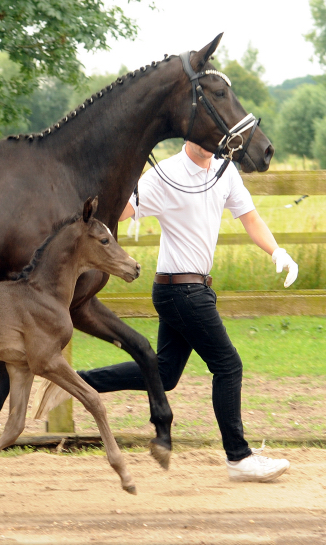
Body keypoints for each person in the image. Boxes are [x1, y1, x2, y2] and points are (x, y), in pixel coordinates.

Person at [78, 141, 297, 482]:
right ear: (188, 134)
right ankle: (239, 459)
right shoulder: (165, 174)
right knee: (228, 365)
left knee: (165, 375)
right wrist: (117, 173)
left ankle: (77, 381)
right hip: (180, 290)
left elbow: (249, 217)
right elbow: (121, 212)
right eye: (202, 136)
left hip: (194, 289)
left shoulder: (225, 171)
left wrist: (277, 252)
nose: (210, 144)